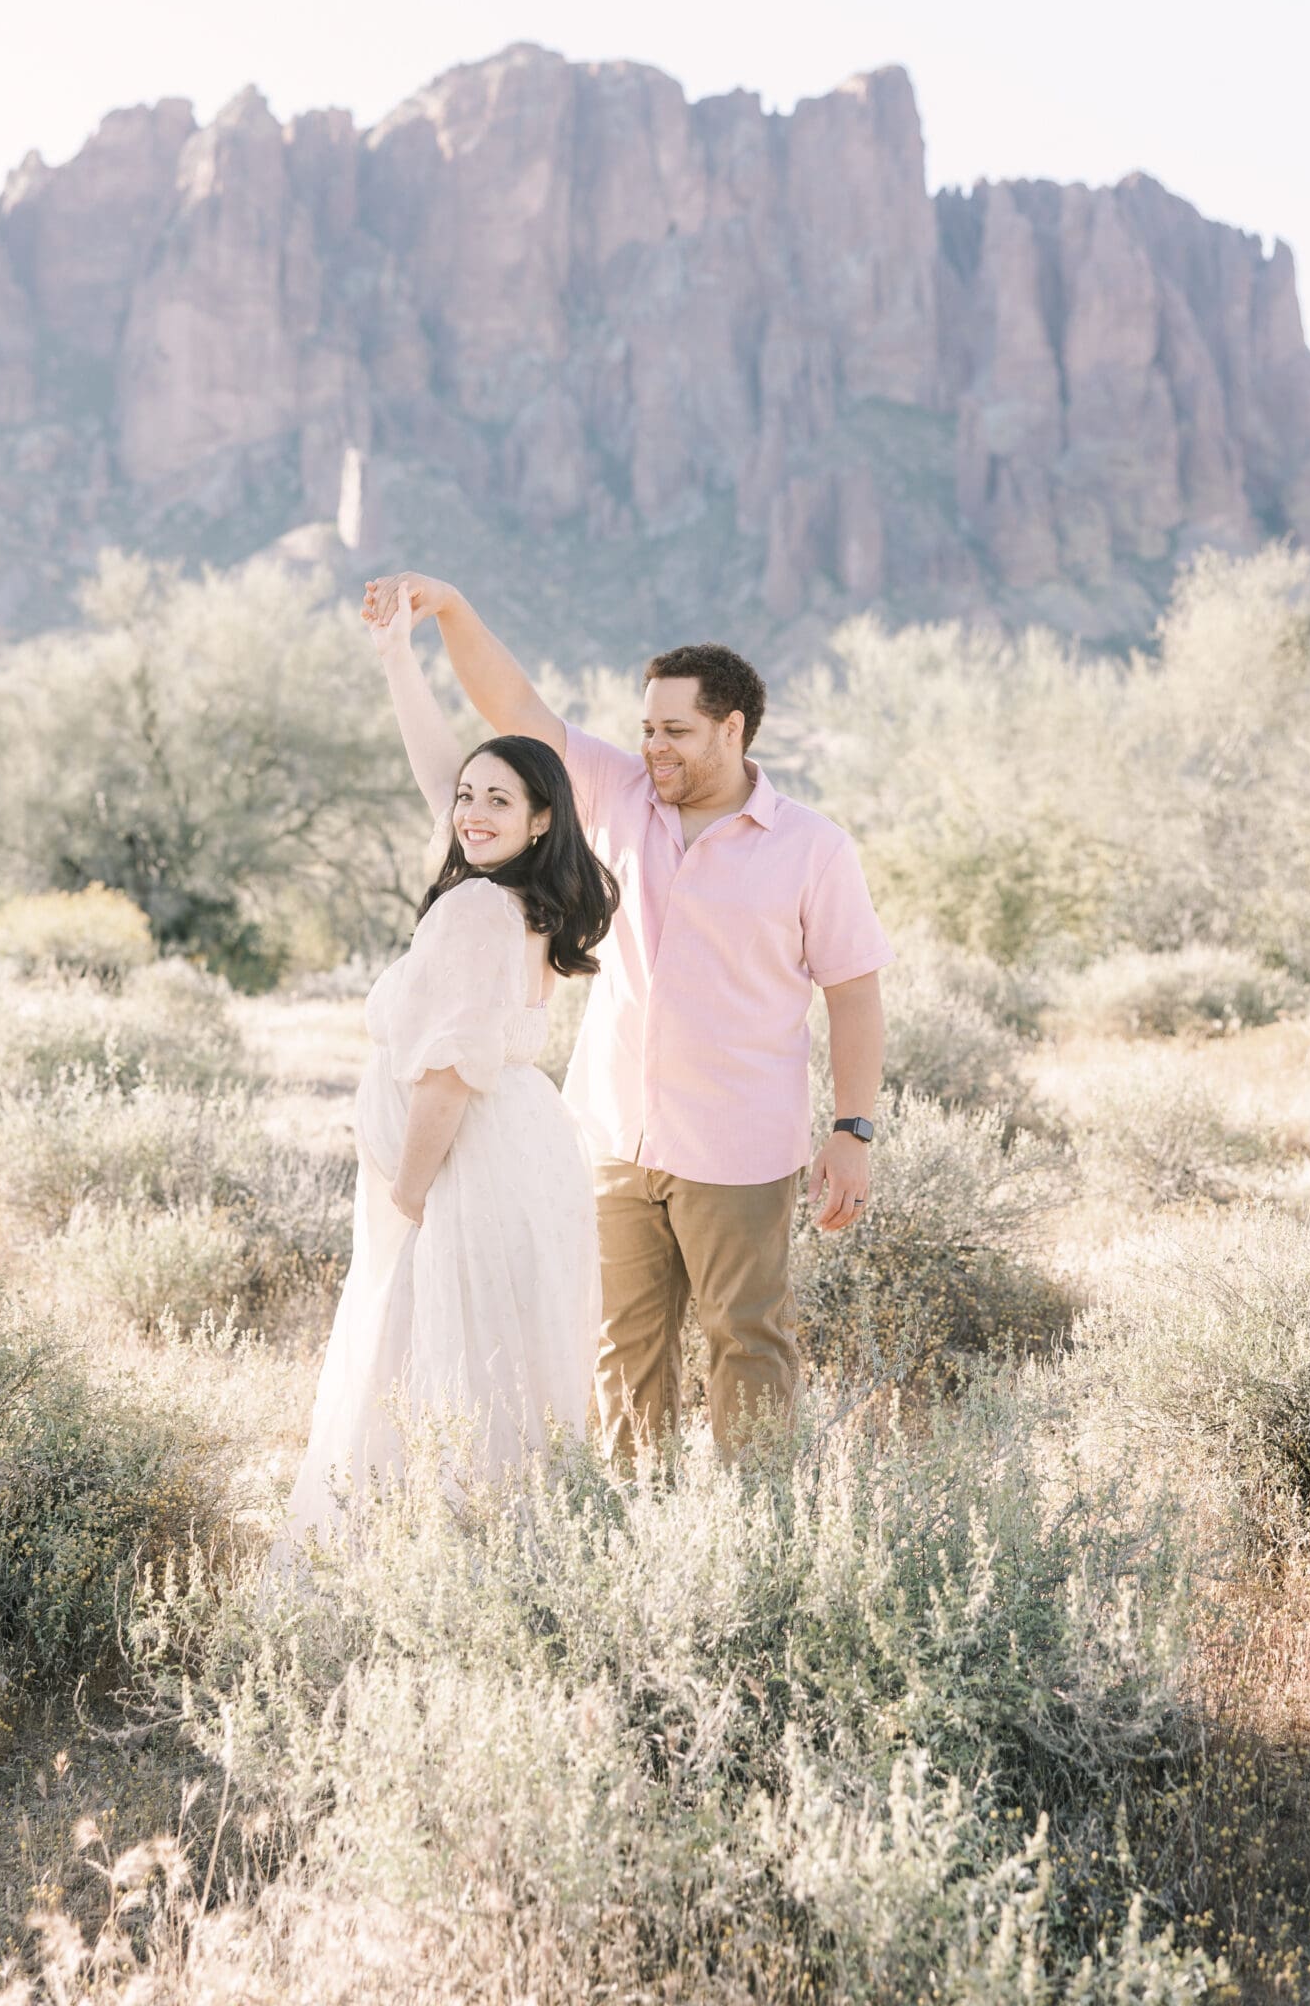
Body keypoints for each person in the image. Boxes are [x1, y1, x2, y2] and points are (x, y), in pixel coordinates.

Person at [362, 572, 891, 1458]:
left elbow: (853, 992)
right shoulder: (618, 794)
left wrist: (852, 1129)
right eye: (646, 729)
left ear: (731, 728)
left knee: (747, 1339)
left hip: (738, 1143)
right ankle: (634, 1511)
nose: (653, 748)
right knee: (619, 1344)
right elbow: (512, 708)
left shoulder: (813, 848)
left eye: (674, 731)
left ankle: (758, 1517)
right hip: (610, 1135)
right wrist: (450, 607)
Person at [281, 591, 620, 1540]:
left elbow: (446, 1074)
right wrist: (397, 657)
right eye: (467, 796)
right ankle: (509, 1548)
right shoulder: (518, 897)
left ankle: (418, 1553)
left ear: (541, 819)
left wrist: (407, 1191)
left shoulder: (473, 910)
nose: (468, 811)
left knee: (429, 1355)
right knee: (496, 1360)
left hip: (464, 1164)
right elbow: (442, 773)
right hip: (520, 1154)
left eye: (496, 801)